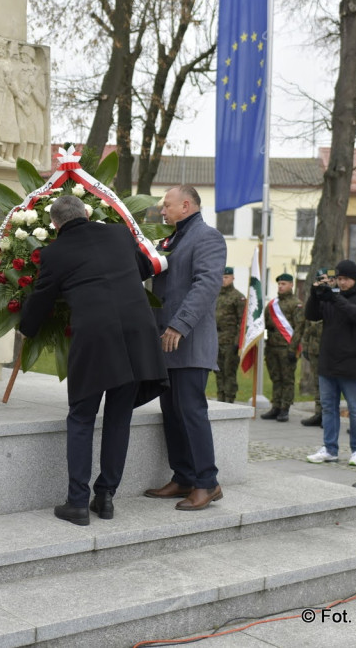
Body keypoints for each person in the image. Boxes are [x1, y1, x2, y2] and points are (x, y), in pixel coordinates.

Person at [19, 195, 167, 526]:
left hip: (96, 340)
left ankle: (77, 503)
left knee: (82, 418)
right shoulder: (119, 234)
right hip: (137, 336)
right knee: (118, 417)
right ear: (86, 213)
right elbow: (142, 267)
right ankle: (106, 497)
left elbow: (42, 297)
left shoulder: (54, 252)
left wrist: (27, 329)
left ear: (55, 225)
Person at [145, 184, 227, 511]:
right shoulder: (171, 239)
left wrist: (179, 324)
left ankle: (208, 483)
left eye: (167, 205)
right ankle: (183, 476)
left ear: (186, 205)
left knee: (191, 412)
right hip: (166, 343)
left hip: (189, 341)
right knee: (173, 412)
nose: (162, 211)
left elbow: (206, 285)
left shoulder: (208, 237)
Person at [304, 259, 356, 466]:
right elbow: (311, 315)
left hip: (353, 361)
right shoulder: (332, 295)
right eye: (338, 279)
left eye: (345, 279)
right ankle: (330, 448)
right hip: (328, 360)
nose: (341, 283)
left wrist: (334, 299)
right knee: (328, 407)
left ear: (354, 278)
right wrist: (314, 294)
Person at [261, 273, 303, 422]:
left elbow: (298, 328)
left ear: (291, 285)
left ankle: (285, 408)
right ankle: (276, 406)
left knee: (287, 380)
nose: (281, 286)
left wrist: (293, 349)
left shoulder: (296, 304)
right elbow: (263, 323)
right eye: (279, 284)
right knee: (276, 378)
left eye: (284, 284)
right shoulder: (272, 304)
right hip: (272, 347)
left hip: (287, 348)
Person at [300, 268, 330, 428]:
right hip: (313, 349)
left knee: (327, 385)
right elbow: (306, 325)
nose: (322, 283)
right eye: (319, 280)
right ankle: (319, 413)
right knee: (317, 384)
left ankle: (327, 414)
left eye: (325, 280)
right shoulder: (314, 300)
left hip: (327, 349)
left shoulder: (332, 298)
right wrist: (305, 346)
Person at [215, 267, 245, 403]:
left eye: (226, 277)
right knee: (218, 372)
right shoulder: (215, 295)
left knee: (229, 372)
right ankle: (220, 397)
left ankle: (229, 399)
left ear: (232, 278)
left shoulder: (238, 297)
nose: (223, 280)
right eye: (221, 277)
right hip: (216, 339)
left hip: (230, 340)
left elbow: (242, 322)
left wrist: (237, 342)